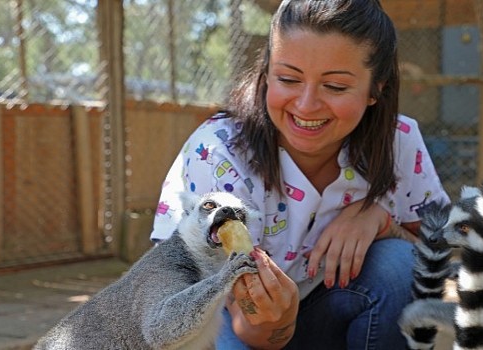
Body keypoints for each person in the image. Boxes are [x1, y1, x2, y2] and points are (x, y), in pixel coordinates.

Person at [150, 0, 449, 348]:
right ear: (266, 73)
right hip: (220, 322)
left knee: (400, 265)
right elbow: (218, 315)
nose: (306, 105)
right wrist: (266, 322)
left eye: (335, 86)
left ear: (376, 89)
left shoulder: (397, 142)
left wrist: (380, 222)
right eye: (288, 78)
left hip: (329, 314)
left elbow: (436, 257)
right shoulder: (218, 154)